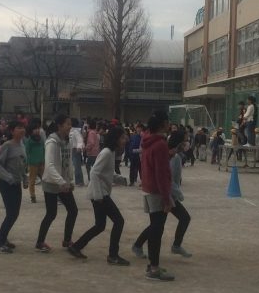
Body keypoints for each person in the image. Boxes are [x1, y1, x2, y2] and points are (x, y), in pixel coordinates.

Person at [67, 125, 130, 264]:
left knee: (100, 225)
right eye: (122, 137)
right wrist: (98, 196)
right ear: (115, 138)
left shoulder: (111, 152)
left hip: (101, 194)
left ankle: (76, 247)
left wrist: (121, 179)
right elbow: (94, 173)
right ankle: (113, 256)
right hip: (100, 195)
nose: (125, 140)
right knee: (119, 221)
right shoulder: (107, 152)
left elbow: (106, 173)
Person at [133, 128, 194, 261]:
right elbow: (167, 179)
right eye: (185, 141)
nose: (187, 143)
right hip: (166, 194)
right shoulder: (172, 157)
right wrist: (176, 195)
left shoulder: (175, 156)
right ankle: (144, 249)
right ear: (179, 143)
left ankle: (140, 245)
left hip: (167, 193)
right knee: (163, 223)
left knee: (158, 224)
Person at [133, 110, 176, 281]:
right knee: (157, 230)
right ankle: (154, 268)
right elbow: (161, 173)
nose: (169, 124)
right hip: (157, 191)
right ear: (163, 123)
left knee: (155, 228)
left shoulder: (148, 140)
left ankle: (152, 264)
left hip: (149, 188)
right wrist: (166, 198)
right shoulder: (160, 144)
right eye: (168, 122)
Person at [35, 113, 78, 252]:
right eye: (68, 124)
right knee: (51, 214)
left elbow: (69, 162)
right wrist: (61, 182)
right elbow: (50, 165)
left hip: (63, 182)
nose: (70, 126)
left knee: (73, 210)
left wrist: (70, 180)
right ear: (59, 126)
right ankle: (40, 242)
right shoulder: (51, 142)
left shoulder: (67, 141)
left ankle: (67, 240)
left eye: (71, 124)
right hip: (52, 183)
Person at [0, 120, 27, 253]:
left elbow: (22, 163)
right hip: (6, 184)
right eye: (19, 127)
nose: (22, 130)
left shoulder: (22, 144)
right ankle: (0, 242)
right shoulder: (7, 145)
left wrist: (24, 178)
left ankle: (3, 238)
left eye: (23, 127)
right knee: (11, 214)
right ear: (12, 131)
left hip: (17, 184)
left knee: (14, 214)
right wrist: (8, 177)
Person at [24, 118, 45, 203]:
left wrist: (44, 159)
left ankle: (47, 194)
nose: (37, 130)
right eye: (35, 129)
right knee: (32, 180)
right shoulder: (29, 140)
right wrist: (26, 163)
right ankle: (32, 196)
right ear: (31, 131)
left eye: (38, 128)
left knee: (45, 180)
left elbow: (43, 149)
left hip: (41, 162)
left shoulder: (41, 139)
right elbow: (26, 152)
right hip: (32, 163)